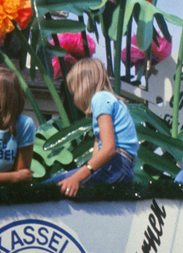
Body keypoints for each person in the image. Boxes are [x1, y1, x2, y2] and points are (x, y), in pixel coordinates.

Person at [58, 58, 139, 198]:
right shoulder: (109, 101)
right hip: (123, 168)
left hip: (115, 165)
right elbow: (97, 153)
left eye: (74, 89)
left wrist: (76, 178)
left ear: (83, 85)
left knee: (53, 186)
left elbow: (108, 149)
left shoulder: (100, 98)